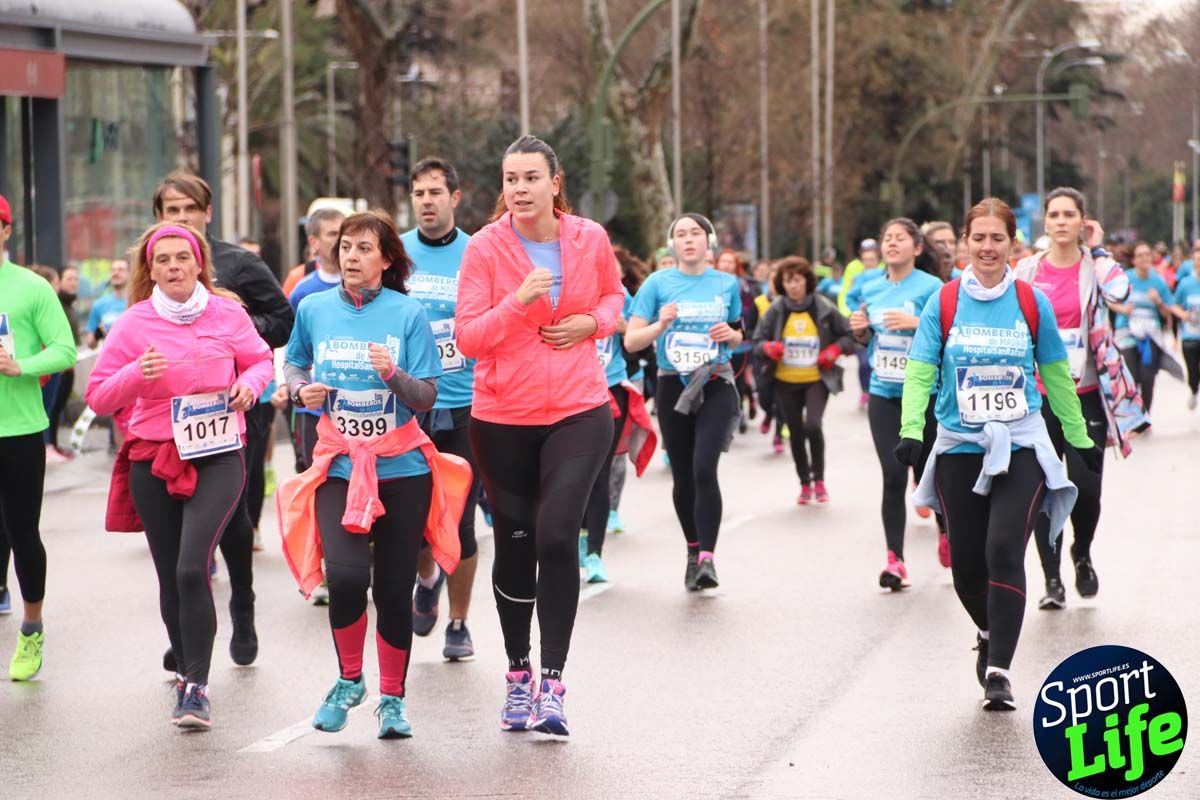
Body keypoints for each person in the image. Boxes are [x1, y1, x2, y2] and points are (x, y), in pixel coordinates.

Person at [896, 197, 1100, 710]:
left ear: (1013, 243)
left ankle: (999, 671)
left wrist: (1077, 439)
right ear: (966, 243)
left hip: (1022, 441)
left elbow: (1055, 374)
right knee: (966, 565)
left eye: (998, 238)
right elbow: (920, 370)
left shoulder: (1032, 302)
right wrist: (911, 430)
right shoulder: (942, 302)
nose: (988, 247)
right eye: (979, 238)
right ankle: (989, 632)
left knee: (1004, 548)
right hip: (959, 444)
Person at [279, 210, 466, 740]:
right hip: (339, 464)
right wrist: (301, 391)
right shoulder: (314, 308)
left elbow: (427, 396)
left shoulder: (408, 315)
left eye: (364, 249)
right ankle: (348, 680)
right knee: (345, 575)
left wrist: (392, 374)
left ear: (386, 259)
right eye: (345, 248)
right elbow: (294, 365)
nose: (352, 257)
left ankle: (392, 699)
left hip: (401, 468)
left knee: (390, 588)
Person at [457, 135, 621, 736]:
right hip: (503, 418)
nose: (519, 189)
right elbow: (470, 337)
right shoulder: (485, 248)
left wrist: (592, 322)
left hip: (580, 410)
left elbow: (613, 296)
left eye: (530, 178)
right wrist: (515, 301)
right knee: (516, 543)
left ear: (555, 183)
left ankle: (554, 682)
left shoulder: (590, 238)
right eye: (510, 179)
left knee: (556, 537)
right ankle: (518, 675)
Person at [86, 222, 273, 728]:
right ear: (151, 270)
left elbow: (261, 363)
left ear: (198, 264)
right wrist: (133, 374)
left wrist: (249, 388)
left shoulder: (228, 313)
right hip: (153, 455)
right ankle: (187, 658)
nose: (172, 266)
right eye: (162, 259)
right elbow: (99, 396)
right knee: (171, 572)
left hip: (218, 450)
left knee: (194, 566)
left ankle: (195, 687)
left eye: (181, 258)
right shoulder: (134, 324)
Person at [153, 170, 294, 669]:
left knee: (233, 523)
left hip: (236, 410)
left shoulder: (240, 263)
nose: (183, 218)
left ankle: (243, 607)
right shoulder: (152, 267)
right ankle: (186, 633)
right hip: (168, 418)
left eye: (191, 209)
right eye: (173, 210)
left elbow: (283, 321)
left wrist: (241, 319)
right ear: (160, 218)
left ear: (207, 214)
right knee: (176, 532)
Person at [1016, 187, 1145, 610]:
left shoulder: (1095, 267)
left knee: (1086, 489)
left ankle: (1081, 553)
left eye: (1069, 214)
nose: (1060, 221)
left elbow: (1121, 296)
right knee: (1042, 489)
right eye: (1053, 214)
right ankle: (1051, 578)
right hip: (1037, 399)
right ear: (1045, 222)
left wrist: (1101, 248)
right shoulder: (1028, 271)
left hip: (1087, 394)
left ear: (1082, 221)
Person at [627, 213, 742, 590]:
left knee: (704, 466)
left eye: (695, 233)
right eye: (680, 234)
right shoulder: (657, 284)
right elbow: (631, 341)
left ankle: (708, 557)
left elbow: (739, 333)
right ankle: (693, 549)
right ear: (672, 244)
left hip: (714, 383)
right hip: (672, 385)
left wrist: (733, 335)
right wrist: (660, 326)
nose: (688, 240)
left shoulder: (727, 284)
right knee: (684, 475)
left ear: (708, 241)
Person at [400, 157, 482, 661]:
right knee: (413, 520)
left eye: (435, 192)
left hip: (465, 403)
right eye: (418, 193)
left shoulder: (479, 253)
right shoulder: (397, 253)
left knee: (461, 521)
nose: (426, 201)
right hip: (409, 406)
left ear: (455, 197)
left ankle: (458, 623)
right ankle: (426, 577)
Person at [0, 194, 77, 679]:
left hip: (20, 431)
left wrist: (20, 366)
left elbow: (66, 349)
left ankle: (31, 627)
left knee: (23, 533)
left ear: (6, 231)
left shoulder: (29, 288)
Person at [848, 219, 947, 588]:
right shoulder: (870, 286)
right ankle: (895, 561)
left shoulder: (931, 287)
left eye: (899, 238)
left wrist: (915, 322)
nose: (891, 243)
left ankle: (945, 531)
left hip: (925, 396)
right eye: (887, 237)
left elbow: (948, 333)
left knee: (929, 475)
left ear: (917, 248)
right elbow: (866, 338)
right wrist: (859, 328)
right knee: (892, 475)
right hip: (884, 392)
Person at [754, 256, 852, 504]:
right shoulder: (776, 309)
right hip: (785, 380)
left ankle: (819, 480)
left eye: (797, 280)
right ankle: (804, 483)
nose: (793, 286)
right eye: (787, 281)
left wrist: (833, 351)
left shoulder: (823, 306)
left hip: (816, 378)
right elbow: (756, 341)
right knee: (795, 431)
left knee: (813, 425)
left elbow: (849, 336)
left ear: (806, 281)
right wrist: (769, 348)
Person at [1108, 241, 1183, 413]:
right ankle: (1131, 414)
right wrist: (1123, 309)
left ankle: (1145, 414)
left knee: (1148, 377)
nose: (1144, 259)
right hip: (1127, 332)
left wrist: (1158, 302)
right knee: (1132, 375)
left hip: (1150, 334)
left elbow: (1166, 313)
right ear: (1134, 260)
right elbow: (1110, 301)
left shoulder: (1158, 281)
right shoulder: (1125, 278)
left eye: (1147, 255)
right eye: (1140, 255)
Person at [715, 249, 760, 431]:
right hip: (716, 341)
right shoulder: (710, 284)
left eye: (730, 262)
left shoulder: (745, 286)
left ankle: (739, 412)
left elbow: (752, 310)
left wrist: (745, 331)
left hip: (740, 341)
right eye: (723, 261)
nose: (726, 265)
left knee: (739, 379)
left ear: (736, 266)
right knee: (722, 380)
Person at [86, 259, 129, 349]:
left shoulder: (138, 302)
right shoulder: (99, 305)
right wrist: (98, 333)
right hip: (110, 359)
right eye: (113, 270)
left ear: (129, 274)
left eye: (120, 270)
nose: (116, 273)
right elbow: (90, 344)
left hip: (133, 359)